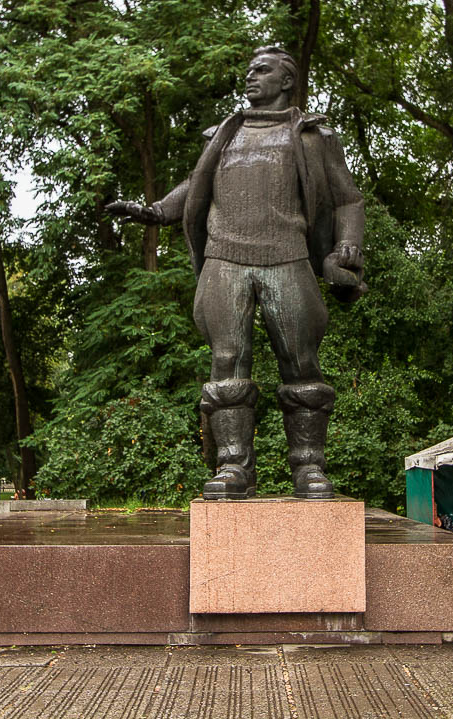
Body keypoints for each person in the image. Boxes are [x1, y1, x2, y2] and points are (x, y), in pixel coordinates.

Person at [106, 46, 365, 500]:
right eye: (248, 71)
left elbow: (348, 199)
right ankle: (233, 466)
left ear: (287, 82)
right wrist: (156, 211)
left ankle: (309, 468)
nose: (250, 78)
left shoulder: (312, 136)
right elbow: (195, 185)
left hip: (288, 257)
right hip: (225, 260)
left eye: (261, 71)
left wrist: (348, 245)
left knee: (302, 366)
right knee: (226, 363)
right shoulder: (224, 133)